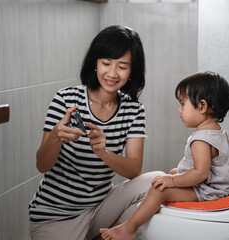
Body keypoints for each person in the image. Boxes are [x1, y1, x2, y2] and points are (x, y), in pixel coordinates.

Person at [29, 25, 163, 240]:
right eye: (106, 63)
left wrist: (104, 152)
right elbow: (42, 165)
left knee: (158, 180)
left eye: (122, 66)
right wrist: (56, 136)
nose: (112, 73)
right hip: (56, 216)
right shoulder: (65, 99)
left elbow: (133, 170)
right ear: (95, 63)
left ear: (132, 71)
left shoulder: (133, 109)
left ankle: (107, 236)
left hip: (100, 210)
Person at [100, 70, 229, 240]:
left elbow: (200, 173)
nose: (179, 110)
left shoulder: (201, 140)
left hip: (209, 191)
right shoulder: (220, 133)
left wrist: (172, 182)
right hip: (220, 187)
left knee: (159, 190)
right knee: (173, 172)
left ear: (202, 106)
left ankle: (130, 227)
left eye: (183, 104)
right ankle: (166, 186)